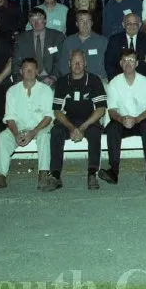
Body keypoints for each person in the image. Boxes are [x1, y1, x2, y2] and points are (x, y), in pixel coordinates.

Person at [0, 58, 56, 191]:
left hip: (39, 127)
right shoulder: (12, 91)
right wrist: (16, 134)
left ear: (37, 72)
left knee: (44, 136)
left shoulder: (46, 90)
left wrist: (33, 132)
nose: (29, 72)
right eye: (26, 69)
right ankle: (0, 176)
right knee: (3, 138)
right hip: (19, 127)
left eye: (32, 69)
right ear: (20, 71)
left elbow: (48, 116)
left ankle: (43, 173)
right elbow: (10, 118)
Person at [46, 50, 107, 191]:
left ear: (85, 63)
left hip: (89, 120)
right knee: (56, 132)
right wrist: (72, 128)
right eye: (74, 62)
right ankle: (55, 175)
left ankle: (92, 173)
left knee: (94, 133)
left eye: (80, 61)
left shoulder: (94, 80)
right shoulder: (61, 82)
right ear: (69, 64)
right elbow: (57, 110)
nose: (77, 65)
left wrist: (83, 127)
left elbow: (101, 109)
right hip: (69, 121)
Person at [102, 48, 146, 187]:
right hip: (122, 121)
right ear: (121, 63)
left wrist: (137, 119)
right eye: (125, 60)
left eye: (132, 60)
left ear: (137, 63)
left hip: (141, 120)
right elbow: (112, 110)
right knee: (112, 128)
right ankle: (114, 171)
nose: (128, 63)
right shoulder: (114, 83)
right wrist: (122, 119)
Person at [11, 8, 65, 86]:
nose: (36, 23)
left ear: (45, 20)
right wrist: (20, 79)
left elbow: (60, 61)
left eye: (39, 19)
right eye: (32, 20)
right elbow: (16, 63)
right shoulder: (21, 39)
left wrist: (53, 77)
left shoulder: (57, 37)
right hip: (27, 78)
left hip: (50, 78)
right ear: (29, 22)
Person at [105, 12, 146, 81]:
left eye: (135, 23)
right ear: (123, 25)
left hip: (143, 81)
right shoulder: (114, 40)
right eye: (128, 23)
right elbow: (109, 65)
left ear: (139, 25)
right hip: (120, 81)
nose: (132, 26)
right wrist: (118, 81)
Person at [58, 10, 108, 80]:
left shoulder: (103, 41)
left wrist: (100, 77)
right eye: (81, 21)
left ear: (92, 23)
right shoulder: (68, 41)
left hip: (97, 79)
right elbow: (63, 64)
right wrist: (70, 77)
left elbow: (108, 64)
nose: (85, 24)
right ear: (77, 24)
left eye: (88, 21)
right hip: (73, 79)